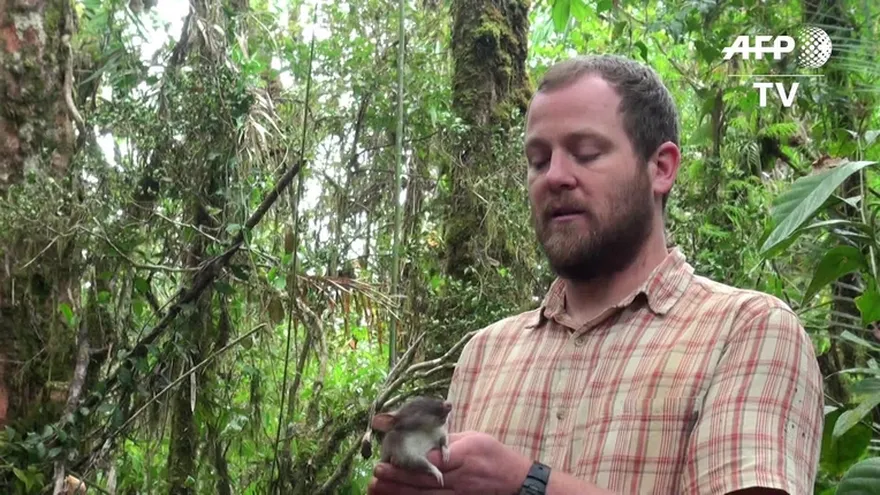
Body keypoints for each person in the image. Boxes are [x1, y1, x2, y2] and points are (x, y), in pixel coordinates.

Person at [367, 54, 824, 495]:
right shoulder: (485, 354)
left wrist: (526, 482)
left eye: (585, 153)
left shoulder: (747, 330)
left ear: (661, 169)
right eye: (538, 160)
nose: (555, 177)